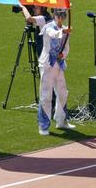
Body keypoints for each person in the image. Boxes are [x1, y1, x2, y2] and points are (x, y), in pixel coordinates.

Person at [23, 7, 75, 135]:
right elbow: (53, 34)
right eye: (59, 15)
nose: (61, 17)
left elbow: (66, 46)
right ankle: (43, 126)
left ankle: (61, 120)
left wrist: (63, 54)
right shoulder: (48, 27)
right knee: (46, 95)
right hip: (47, 65)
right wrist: (63, 31)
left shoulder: (65, 29)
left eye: (63, 15)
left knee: (63, 93)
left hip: (59, 64)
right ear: (55, 15)